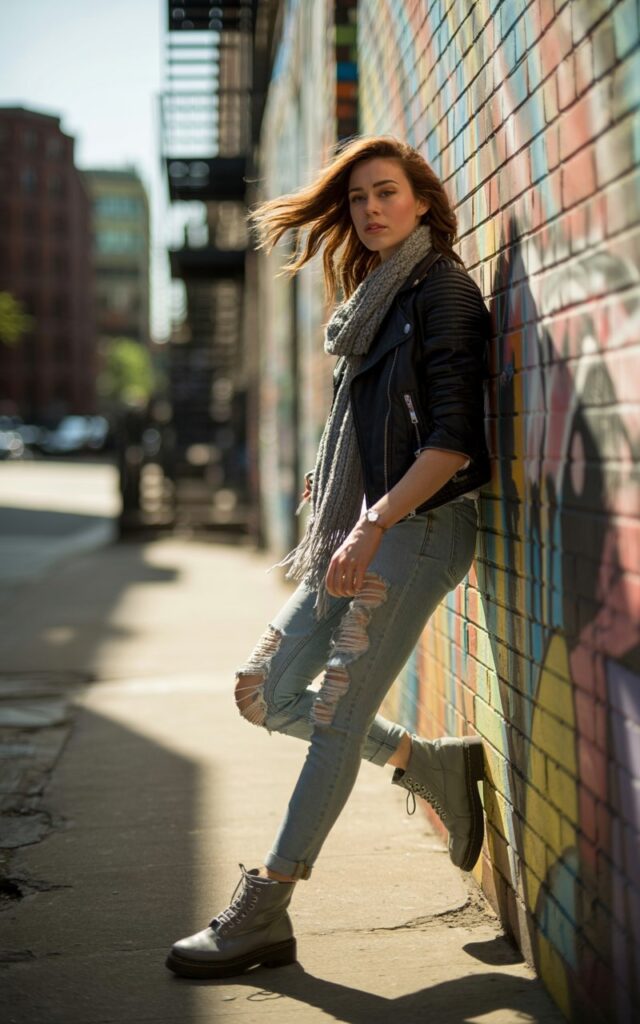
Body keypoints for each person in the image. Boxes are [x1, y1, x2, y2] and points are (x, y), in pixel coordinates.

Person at [166, 135, 492, 979]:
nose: (371, 209)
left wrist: (372, 520)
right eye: (357, 199)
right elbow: (378, 418)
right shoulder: (377, 296)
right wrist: (335, 482)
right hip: (359, 531)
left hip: (414, 535)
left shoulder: (445, 295)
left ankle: (264, 911)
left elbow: (455, 441)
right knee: (261, 691)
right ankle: (427, 764)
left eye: (387, 193)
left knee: (336, 720)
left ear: (422, 201)